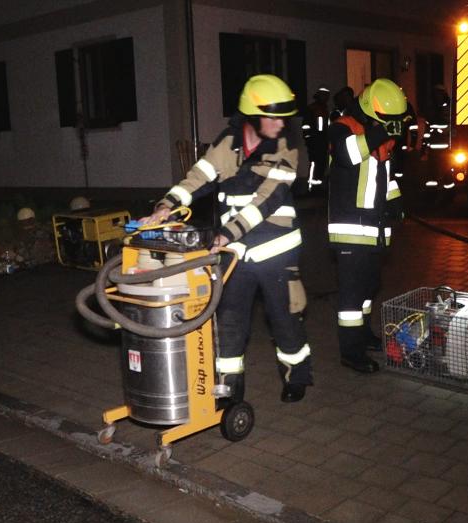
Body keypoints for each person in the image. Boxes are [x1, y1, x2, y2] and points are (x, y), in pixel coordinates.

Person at [143, 74, 312, 403]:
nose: (280, 124)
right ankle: (228, 389)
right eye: (272, 117)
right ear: (251, 116)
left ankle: (297, 377)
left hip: (275, 251)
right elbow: (199, 177)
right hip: (234, 254)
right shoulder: (227, 142)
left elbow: (268, 199)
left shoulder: (287, 148)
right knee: (229, 322)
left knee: (285, 319)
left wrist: (226, 232)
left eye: (283, 118)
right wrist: (166, 205)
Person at [327, 78, 408, 373]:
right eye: (386, 120)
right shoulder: (342, 127)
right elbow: (348, 155)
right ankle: (351, 352)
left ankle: (363, 335)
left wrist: (396, 202)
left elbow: (387, 175)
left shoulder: (381, 135)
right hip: (350, 229)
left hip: (375, 229)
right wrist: (378, 133)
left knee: (369, 287)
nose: (391, 126)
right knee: (351, 295)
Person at [302, 87, 331, 191]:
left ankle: (318, 186)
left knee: (322, 163)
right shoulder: (312, 109)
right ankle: (312, 187)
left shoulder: (325, 109)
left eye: (326, 95)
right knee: (315, 163)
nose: (326, 97)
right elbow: (306, 126)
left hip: (322, 141)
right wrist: (309, 139)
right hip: (314, 141)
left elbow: (326, 127)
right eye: (323, 95)